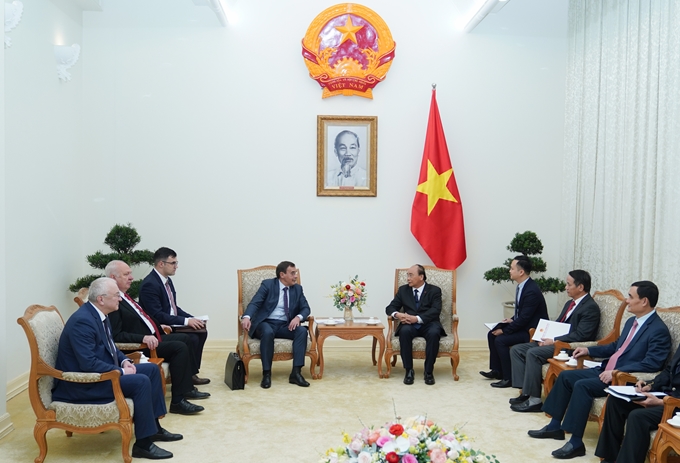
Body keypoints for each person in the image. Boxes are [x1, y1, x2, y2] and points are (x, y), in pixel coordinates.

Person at [528, 281, 671, 460]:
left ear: (644, 301)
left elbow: (653, 364)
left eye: (630, 297)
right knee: (565, 377)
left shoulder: (658, 330)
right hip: (604, 369)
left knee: (582, 386)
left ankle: (575, 442)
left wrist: (616, 371)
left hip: (622, 378)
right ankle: (554, 426)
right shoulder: (631, 322)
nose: (626, 301)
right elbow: (615, 347)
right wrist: (588, 350)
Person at [52, 277, 180, 460]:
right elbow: (88, 364)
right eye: (116, 295)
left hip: (101, 374)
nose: (121, 298)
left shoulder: (98, 315)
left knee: (151, 370)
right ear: (101, 299)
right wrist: (121, 372)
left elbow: (111, 346)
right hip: (82, 384)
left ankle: (154, 429)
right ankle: (143, 445)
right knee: (140, 382)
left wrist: (123, 361)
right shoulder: (83, 322)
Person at [105, 260, 208, 415]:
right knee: (179, 347)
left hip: (152, 337)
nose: (132, 277)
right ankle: (177, 401)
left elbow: (143, 317)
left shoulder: (124, 296)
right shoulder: (113, 302)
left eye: (130, 273)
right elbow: (117, 335)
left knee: (185, 338)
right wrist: (143, 338)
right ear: (113, 278)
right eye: (126, 274)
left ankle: (186, 388)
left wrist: (159, 326)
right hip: (141, 346)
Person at [509, 270, 600, 412]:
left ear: (580, 287)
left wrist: (553, 340)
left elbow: (582, 335)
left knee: (533, 353)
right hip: (555, 342)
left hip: (569, 347)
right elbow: (558, 324)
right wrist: (543, 337)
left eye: (569, 284)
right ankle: (525, 392)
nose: (566, 287)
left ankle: (534, 400)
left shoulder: (590, 308)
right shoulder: (570, 303)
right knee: (517, 349)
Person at [595, 341, 680, 463]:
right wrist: (650, 385)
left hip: (676, 406)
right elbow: (669, 370)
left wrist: (661, 403)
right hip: (666, 396)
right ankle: (609, 459)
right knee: (616, 401)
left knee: (637, 416)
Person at [139, 247, 209, 385]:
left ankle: (191, 372)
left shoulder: (167, 280)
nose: (176, 266)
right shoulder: (150, 284)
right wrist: (186, 321)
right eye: (173, 263)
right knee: (193, 338)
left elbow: (173, 308)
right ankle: (188, 375)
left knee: (201, 331)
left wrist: (192, 318)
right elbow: (157, 315)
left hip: (171, 322)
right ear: (161, 264)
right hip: (162, 327)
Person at [241, 261, 312, 389]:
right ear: (282, 275)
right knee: (267, 332)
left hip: (285, 325)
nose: (295, 276)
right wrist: (246, 317)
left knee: (301, 331)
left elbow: (306, 308)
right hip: (265, 323)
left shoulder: (297, 289)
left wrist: (298, 317)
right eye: (292, 273)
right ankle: (266, 374)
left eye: (296, 273)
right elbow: (255, 303)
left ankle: (296, 373)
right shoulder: (268, 285)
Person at [480, 255, 548, 388]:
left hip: (531, 331)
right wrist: (511, 319)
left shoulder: (531, 290)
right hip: (523, 325)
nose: (509, 271)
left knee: (501, 340)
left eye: (512, 268)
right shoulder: (522, 286)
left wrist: (504, 330)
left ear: (521, 272)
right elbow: (522, 313)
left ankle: (508, 377)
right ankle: (497, 370)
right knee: (492, 334)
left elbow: (524, 318)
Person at [385, 264, 445, 386]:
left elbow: (435, 310)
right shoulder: (403, 290)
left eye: (411, 275)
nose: (408, 278)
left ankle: (428, 371)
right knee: (404, 332)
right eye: (407, 275)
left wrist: (416, 319)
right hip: (408, 324)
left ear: (421, 277)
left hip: (429, 323)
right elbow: (390, 308)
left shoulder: (434, 290)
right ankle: (409, 370)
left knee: (434, 333)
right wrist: (398, 315)